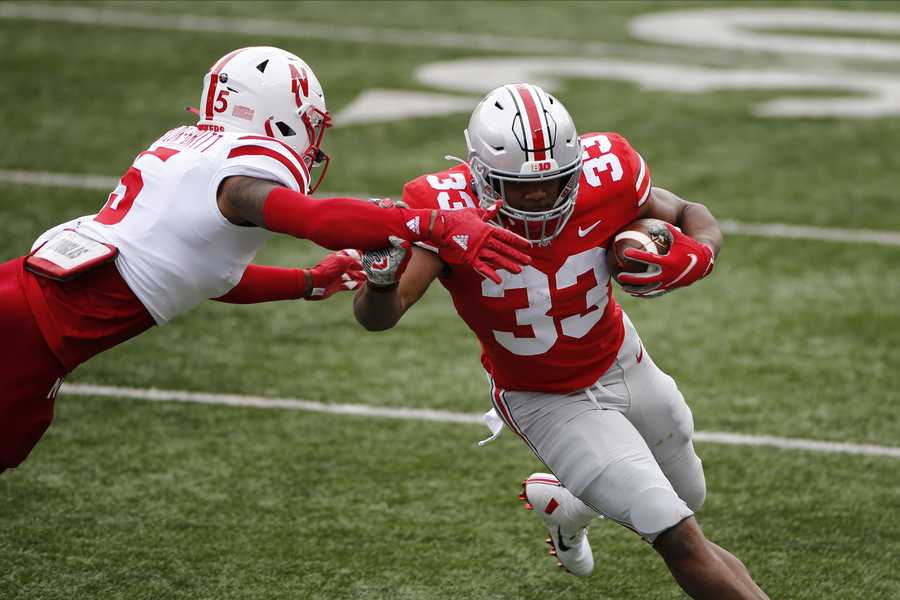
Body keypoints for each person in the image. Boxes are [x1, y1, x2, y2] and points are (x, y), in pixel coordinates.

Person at [0, 47, 531, 474]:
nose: (313, 137)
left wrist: (304, 282)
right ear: (275, 116)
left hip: (19, 296)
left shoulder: (189, 150)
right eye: (307, 122)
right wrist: (432, 222)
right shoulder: (241, 176)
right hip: (32, 336)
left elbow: (201, 274)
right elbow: (311, 220)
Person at [353, 83, 768, 599]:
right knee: (672, 528)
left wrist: (697, 252)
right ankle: (580, 494)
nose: (537, 196)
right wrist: (381, 279)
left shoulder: (609, 174)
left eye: (552, 182)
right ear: (481, 174)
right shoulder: (445, 211)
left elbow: (688, 212)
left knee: (688, 500)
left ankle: (569, 504)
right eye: (518, 185)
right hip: (546, 398)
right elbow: (380, 317)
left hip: (623, 361)